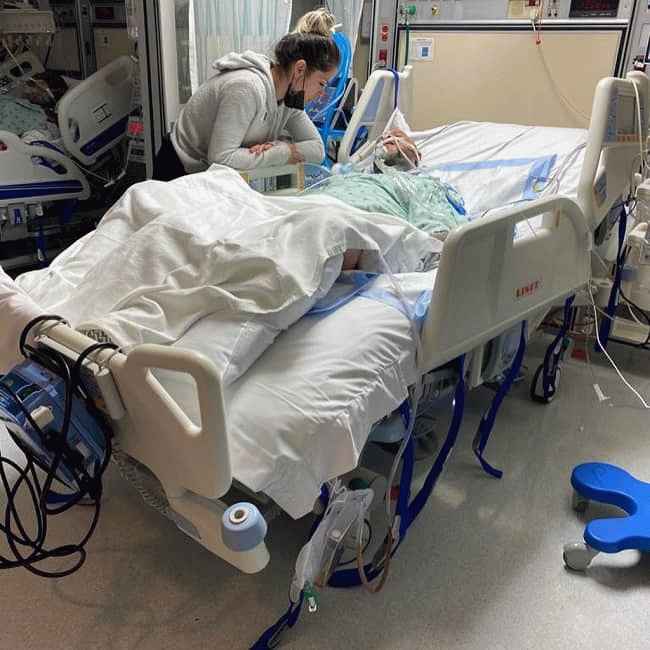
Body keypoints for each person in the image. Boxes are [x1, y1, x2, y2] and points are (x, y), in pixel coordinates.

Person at [153, 10, 340, 181]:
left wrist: (280, 147)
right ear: (300, 69)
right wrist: (280, 154)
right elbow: (221, 159)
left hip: (212, 173)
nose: (322, 94)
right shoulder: (246, 88)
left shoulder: (290, 98)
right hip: (179, 165)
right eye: (322, 83)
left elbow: (317, 150)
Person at [310, 128, 466, 269]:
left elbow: (439, 236)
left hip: (349, 226)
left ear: (417, 155)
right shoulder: (352, 177)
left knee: (331, 234)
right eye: (383, 138)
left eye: (398, 136)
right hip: (312, 207)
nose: (387, 137)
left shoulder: (421, 183)